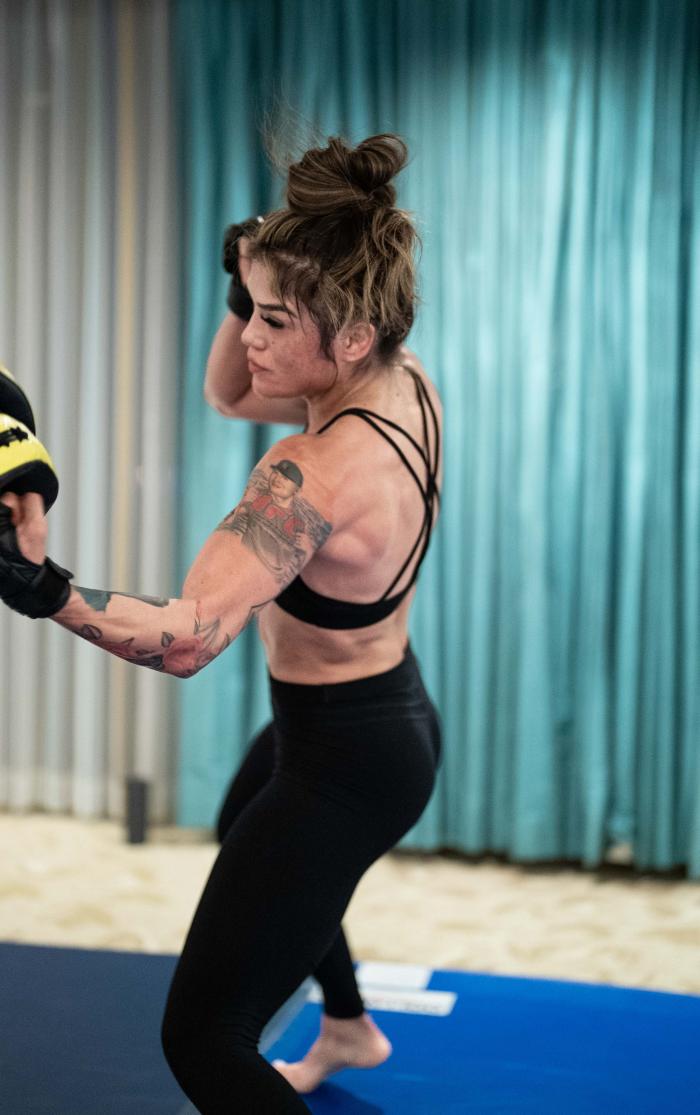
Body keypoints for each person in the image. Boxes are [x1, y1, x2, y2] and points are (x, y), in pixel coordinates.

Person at [0, 132, 443, 1113]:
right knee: (251, 827)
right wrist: (252, 287)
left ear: (351, 335)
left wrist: (42, 587)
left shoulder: (309, 475)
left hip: (346, 759)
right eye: (252, 308)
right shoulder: (404, 386)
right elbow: (227, 389)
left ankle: (337, 1022)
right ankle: (348, 1023)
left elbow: (192, 633)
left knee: (201, 1038)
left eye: (275, 320)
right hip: (381, 713)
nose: (250, 336)